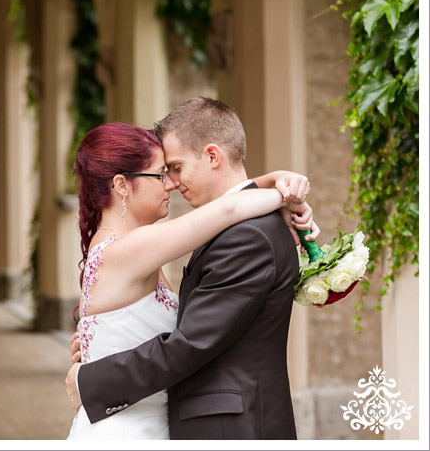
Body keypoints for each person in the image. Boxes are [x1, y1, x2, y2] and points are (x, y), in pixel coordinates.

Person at [65, 104, 317, 439]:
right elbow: (228, 207)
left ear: (212, 156)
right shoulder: (132, 248)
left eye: (174, 169)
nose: (170, 183)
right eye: (161, 174)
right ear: (122, 186)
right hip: (130, 428)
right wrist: (283, 193)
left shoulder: (244, 234)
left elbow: (187, 340)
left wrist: (280, 188)